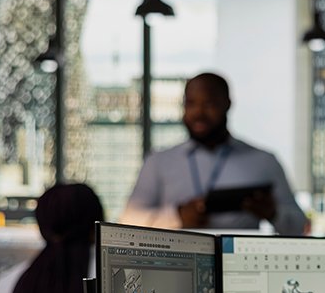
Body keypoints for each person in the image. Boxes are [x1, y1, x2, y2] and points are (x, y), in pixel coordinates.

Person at [119, 72, 309, 235]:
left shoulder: (264, 161)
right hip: (176, 269)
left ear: (227, 104)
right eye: (191, 103)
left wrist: (273, 213)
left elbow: (300, 227)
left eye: (209, 104)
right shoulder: (158, 162)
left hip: (240, 270)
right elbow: (126, 223)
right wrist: (177, 217)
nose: (198, 113)